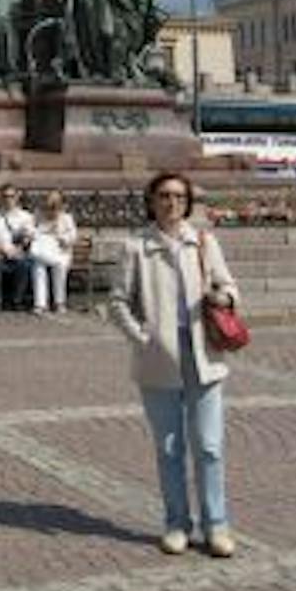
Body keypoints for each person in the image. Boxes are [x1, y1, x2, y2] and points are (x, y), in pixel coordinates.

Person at [109, 170, 242, 558]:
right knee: (169, 449)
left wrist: (225, 299)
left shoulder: (202, 241)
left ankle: (216, 524)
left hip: (205, 357)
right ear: (152, 201)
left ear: (188, 203)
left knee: (210, 446)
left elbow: (229, 286)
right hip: (158, 360)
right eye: (164, 196)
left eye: (179, 197)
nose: (172, 204)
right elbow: (117, 302)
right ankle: (176, 523)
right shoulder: (136, 247)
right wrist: (141, 338)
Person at [0, 184, 36, 313]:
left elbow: (29, 238)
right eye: (5, 196)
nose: (8, 199)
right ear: (0, 198)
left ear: (17, 197)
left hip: (17, 252)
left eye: (11, 196)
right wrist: (2, 249)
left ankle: (17, 301)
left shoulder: (26, 216)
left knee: (25, 263)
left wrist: (20, 247)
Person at [31, 189, 76, 313]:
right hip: (43, 252)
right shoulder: (38, 216)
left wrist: (61, 237)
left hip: (60, 253)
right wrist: (43, 230)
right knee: (38, 266)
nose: (52, 208)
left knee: (60, 266)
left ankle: (59, 302)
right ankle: (40, 304)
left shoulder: (67, 218)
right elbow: (30, 231)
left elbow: (72, 237)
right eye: (49, 204)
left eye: (55, 204)